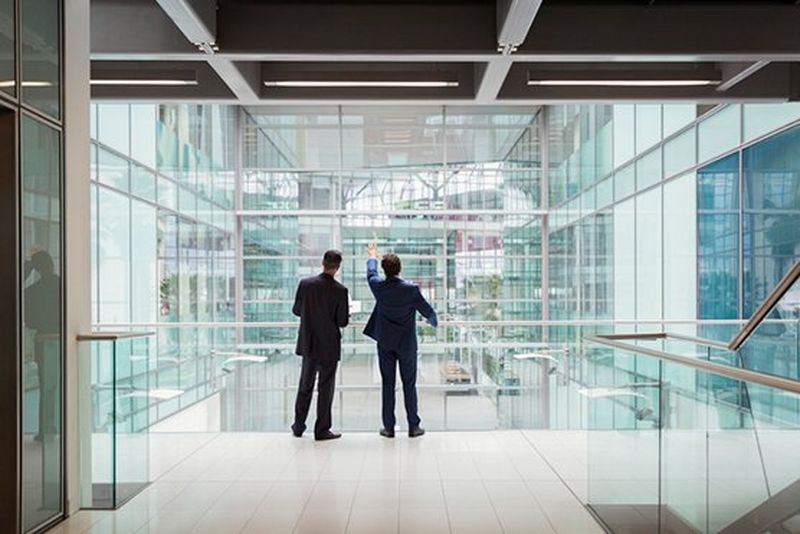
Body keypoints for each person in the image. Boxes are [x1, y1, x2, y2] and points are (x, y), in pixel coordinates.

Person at [364, 243, 438, 438]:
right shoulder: (410, 290)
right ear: (400, 269)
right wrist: (434, 321)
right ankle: (414, 426)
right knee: (409, 384)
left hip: (385, 343)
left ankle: (389, 427)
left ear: (385, 270)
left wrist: (372, 255)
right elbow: (427, 311)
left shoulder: (378, 286)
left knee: (388, 384)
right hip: (406, 345)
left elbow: (371, 273)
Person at [291, 250, 350, 441]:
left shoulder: (305, 285)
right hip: (329, 346)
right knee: (326, 388)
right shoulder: (340, 291)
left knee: (305, 386)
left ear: (322, 263)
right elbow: (342, 322)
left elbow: (296, 310)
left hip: (308, 342)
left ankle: (299, 426)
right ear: (338, 267)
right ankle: (322, 430)